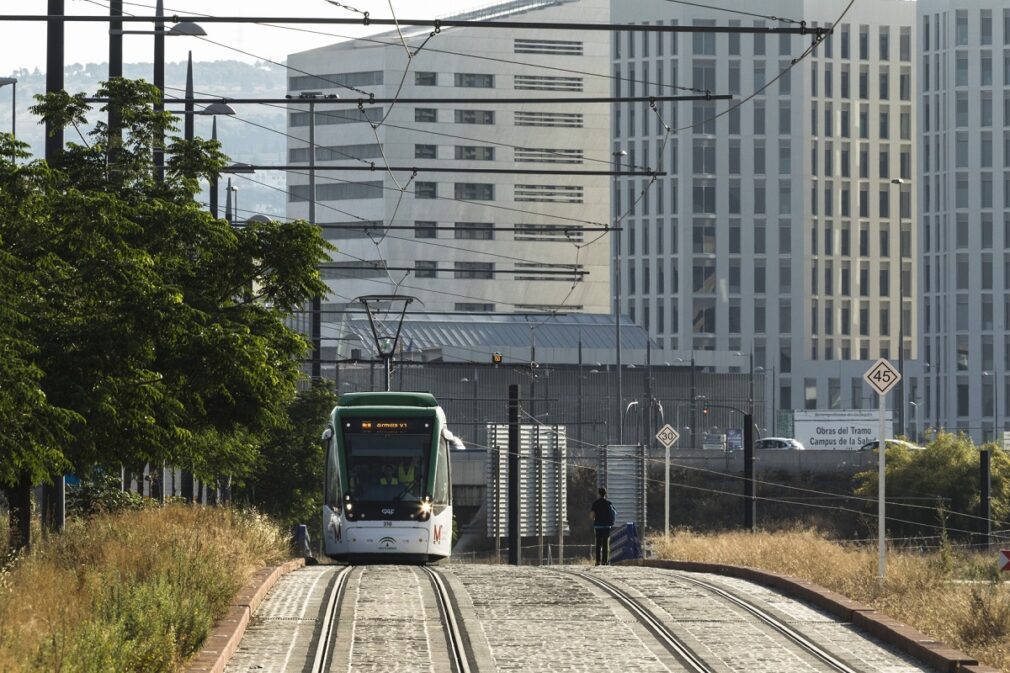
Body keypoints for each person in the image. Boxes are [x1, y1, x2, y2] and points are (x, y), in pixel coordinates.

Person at [590, 487, 617, 566]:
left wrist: (594, 519)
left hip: (598, 526)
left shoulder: (595, 503)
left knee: (598, 544)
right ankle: (605, 561)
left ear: (598, 494)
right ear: (605, 494)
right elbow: (614, 514)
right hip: (607, 526)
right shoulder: (609, 503)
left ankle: (598, 561)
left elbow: (592, 515)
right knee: (605, 544)